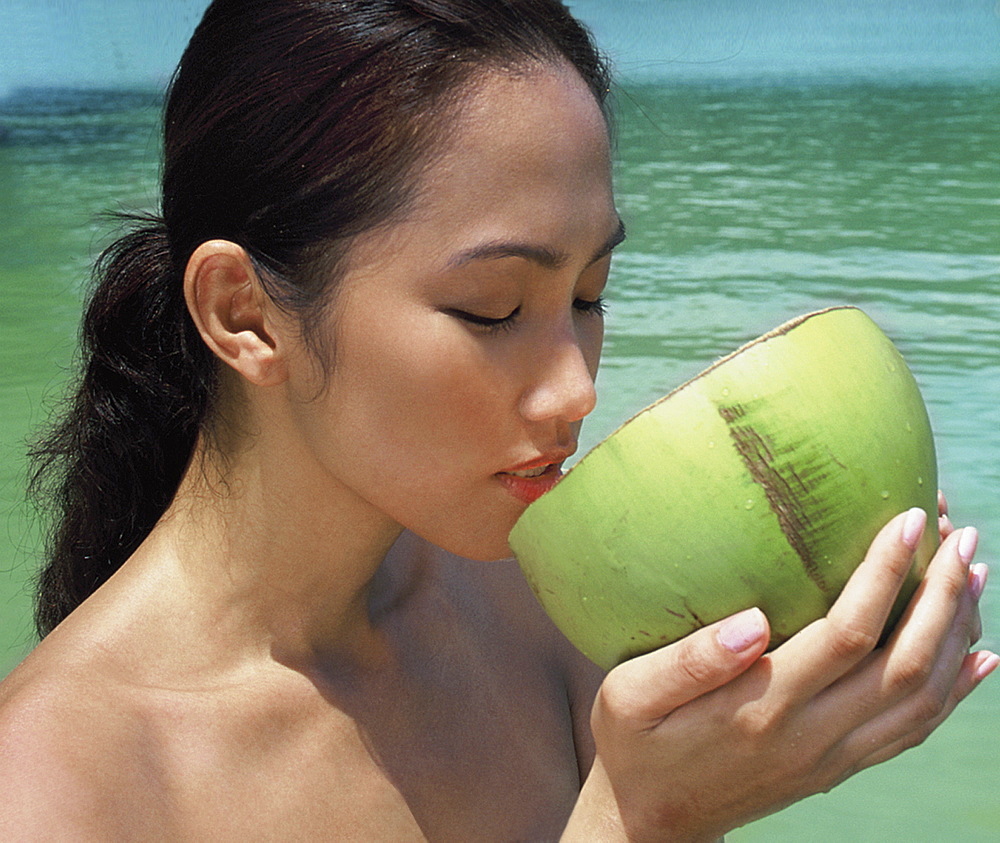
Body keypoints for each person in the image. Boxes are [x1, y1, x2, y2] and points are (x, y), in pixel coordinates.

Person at [0, 0, 993, 838]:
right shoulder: (55, 791)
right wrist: (638, 820)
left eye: (590, 295)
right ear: (243, 314)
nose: (576, 391)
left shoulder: (537, 604)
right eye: (492, 310)